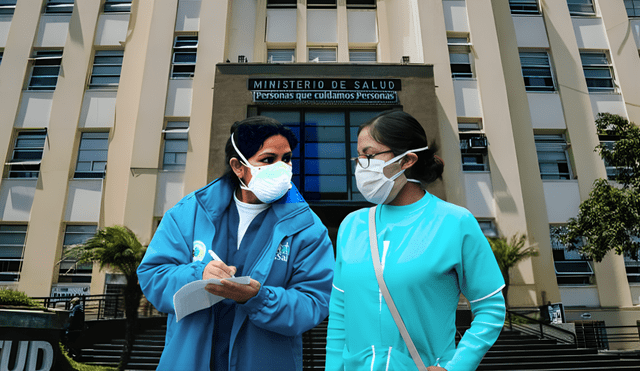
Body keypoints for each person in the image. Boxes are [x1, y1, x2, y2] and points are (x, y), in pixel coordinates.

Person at [138, 116, 335, 371]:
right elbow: (153, 274)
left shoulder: (308, 228)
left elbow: (314, 301)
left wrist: (259, 298)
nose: (282, 167)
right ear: (238, 166)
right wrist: (198, 274)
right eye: (268, 160)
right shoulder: (189, 213)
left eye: (286, 158)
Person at [325, 110, 506, 371]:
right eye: (358, 157)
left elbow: (490, 306)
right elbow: (340, 311)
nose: (360, 166)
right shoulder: (352, 225)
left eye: (369, 155)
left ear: (406, 160)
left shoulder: (455, 222)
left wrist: (457, 367)